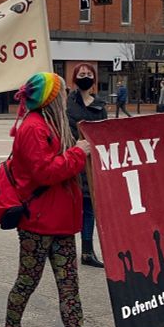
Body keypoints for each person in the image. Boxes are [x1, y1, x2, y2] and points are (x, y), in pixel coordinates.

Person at [0, 72, 113, 327]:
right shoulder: (33, 129)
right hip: (37, 223)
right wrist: (77, 152)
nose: (65, 96)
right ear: (50, 98)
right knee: (27, 282)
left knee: (69, 288)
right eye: (61, 92)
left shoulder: (54, 125)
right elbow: (45, 173)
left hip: (61, 222)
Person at [65, 63, 105, 268]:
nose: (86, 76)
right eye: (82, 74)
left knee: (89, 208)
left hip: (91, 164)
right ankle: (58, 250)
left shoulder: (99, 105)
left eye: (89, 74)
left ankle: (87, 251)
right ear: (74, 78)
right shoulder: (67, 103)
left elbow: (105, 133)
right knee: (67, 207)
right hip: (72, 159)